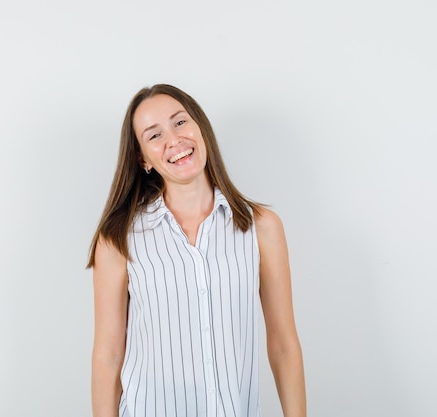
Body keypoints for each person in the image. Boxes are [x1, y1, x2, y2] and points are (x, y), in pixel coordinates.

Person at [87, 84, 306, 417]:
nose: (174, 140)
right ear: (142, 158)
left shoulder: (262, 227)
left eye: (179, 122)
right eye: (154, 135)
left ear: (200, 127)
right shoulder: (118, 239)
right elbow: (108, 356)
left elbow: (283, 345)